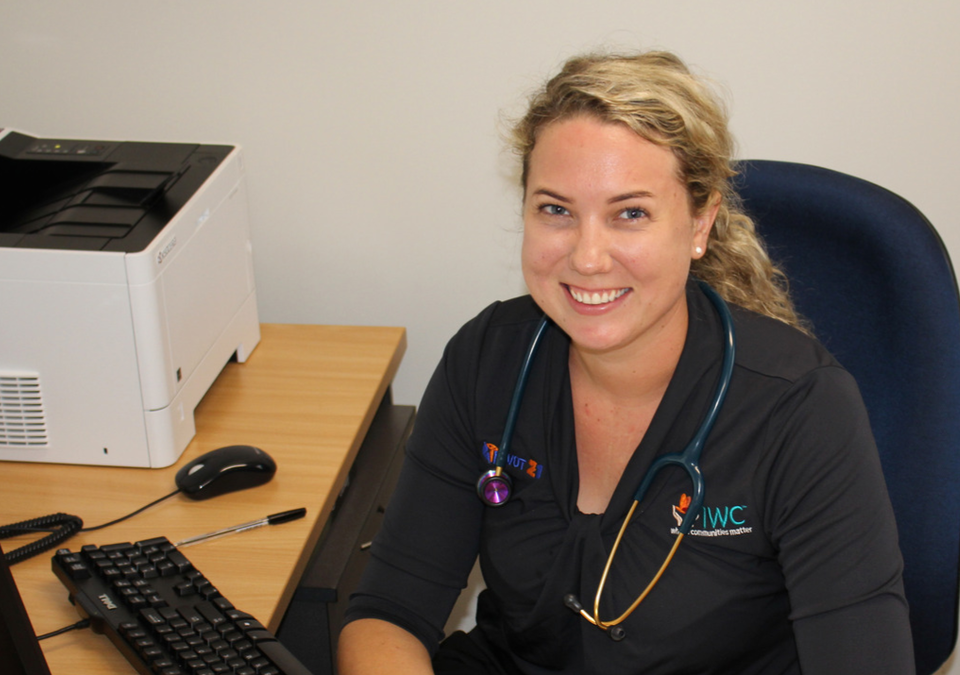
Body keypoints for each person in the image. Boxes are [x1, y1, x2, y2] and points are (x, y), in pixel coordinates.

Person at [338, 51, 913, 674]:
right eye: (555, 210)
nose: (587, 257)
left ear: (700, 223)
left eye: (630, 214)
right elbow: (388, 613)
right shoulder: (488, 359)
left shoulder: (799, 408)